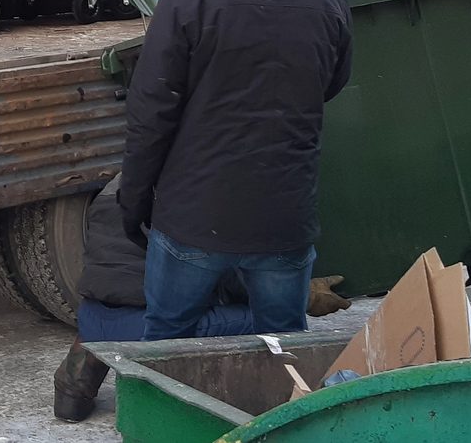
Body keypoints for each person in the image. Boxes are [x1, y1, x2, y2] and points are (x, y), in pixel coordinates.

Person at [118, 0, 354, 341]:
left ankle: (171, 414)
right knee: (284, 340)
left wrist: (133, 202)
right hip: (284, 215)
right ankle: (280, 414)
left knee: (167, 336)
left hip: (194, 214)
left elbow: (150, 115)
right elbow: (331, 83)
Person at [53, 174, 350, 422]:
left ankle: (72, 388)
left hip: (93, 318)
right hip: (146, 330)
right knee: (266, 321)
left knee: (124, 296)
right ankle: (260, 403)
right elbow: (238, 280)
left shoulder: (120, 182)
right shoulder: (204, 195)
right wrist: (305, 296)